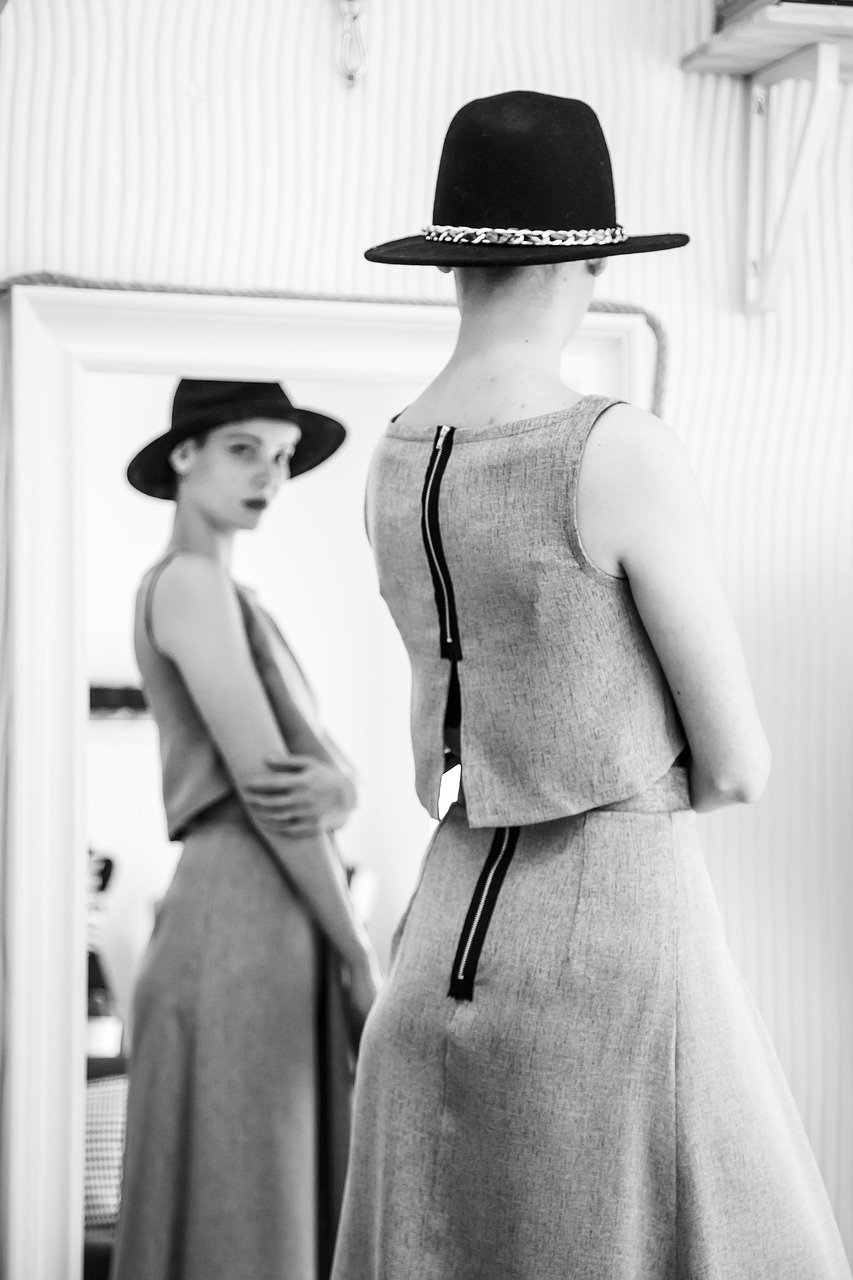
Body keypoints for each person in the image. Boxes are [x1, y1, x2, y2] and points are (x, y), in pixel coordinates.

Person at [330, 92, 852, 1279]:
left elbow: (447, 741)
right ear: (591, 258)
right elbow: (737, 764)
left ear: (450, 261)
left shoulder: (391, 458)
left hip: (432, 962)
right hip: (605, 966)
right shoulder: (613, 446)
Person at [111, 378, 380, 1280]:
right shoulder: (189, 584)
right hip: (241, 913)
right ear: (184, 455)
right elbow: (272, 790)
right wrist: (358, 953)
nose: (270, 474)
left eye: (283, 456)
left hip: (269, 915)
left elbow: (315, 780)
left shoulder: (231, 594)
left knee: (266, 1194)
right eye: (244, 449)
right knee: (249, 1204)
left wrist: (342, 789)